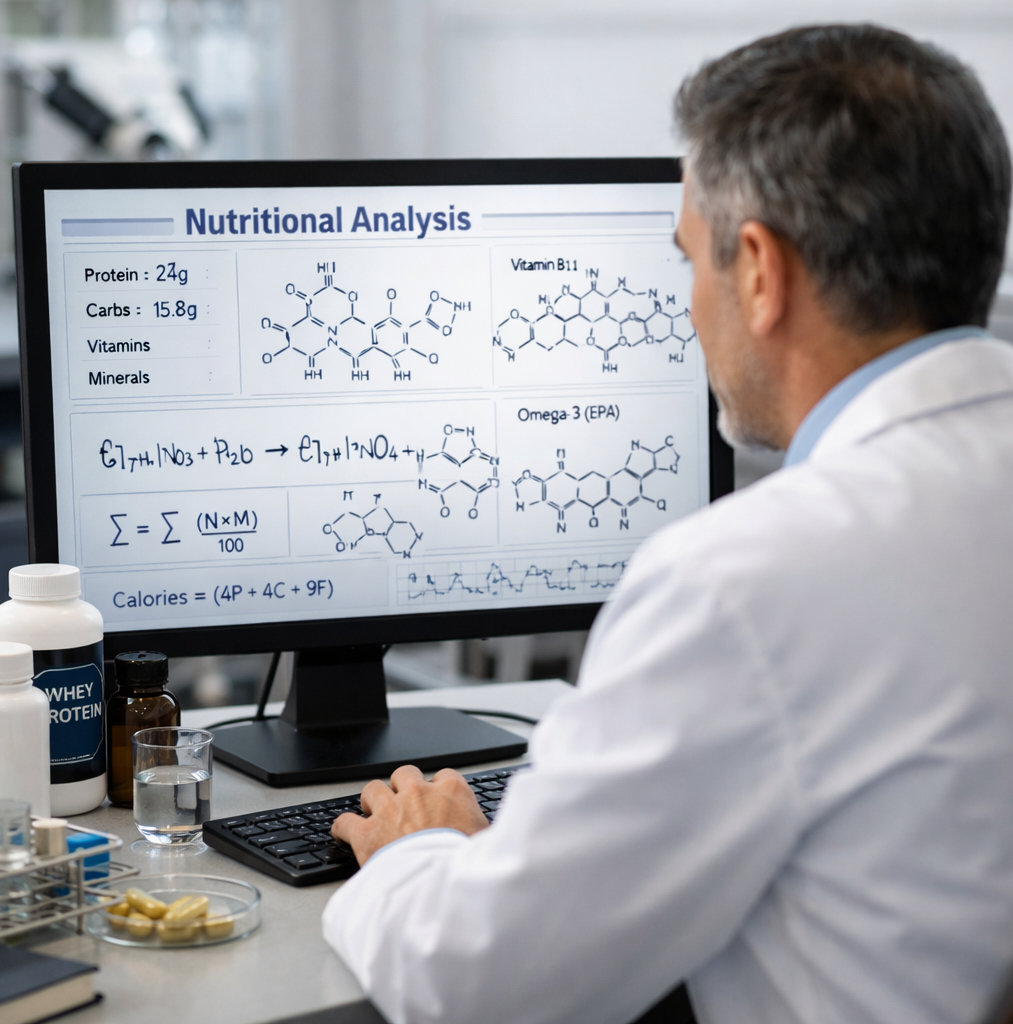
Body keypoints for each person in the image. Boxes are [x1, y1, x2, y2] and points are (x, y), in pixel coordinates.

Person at [324, 24, 1013, 1024]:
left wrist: (414, 851)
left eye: (690, 259)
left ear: (761, 273)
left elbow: (478, 988)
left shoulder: (750, 580)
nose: (690, 305)